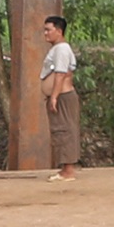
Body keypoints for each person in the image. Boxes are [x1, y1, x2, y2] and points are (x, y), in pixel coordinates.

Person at [40, 12, 81, 179]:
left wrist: (54, 96)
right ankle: (65, 168)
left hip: (63, 96)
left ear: (58, 30)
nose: (45, 33)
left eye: (48, 30)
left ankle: (68, 170)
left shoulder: (62, 49)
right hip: (60, 95)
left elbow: (60, 73)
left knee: (65, 130)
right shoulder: (57, 49)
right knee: (60, 130)